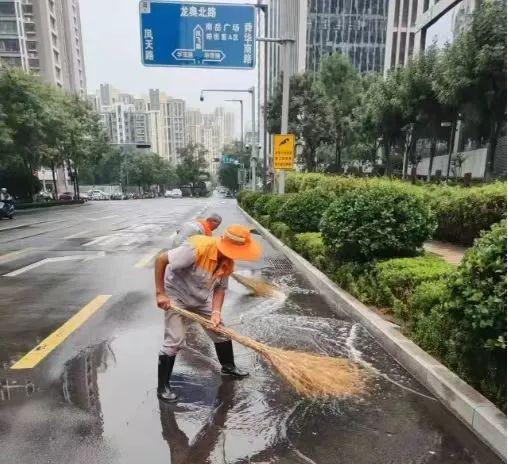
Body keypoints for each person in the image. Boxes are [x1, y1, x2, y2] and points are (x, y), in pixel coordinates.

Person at [154, 224, 262, 403]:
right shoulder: (196, 249)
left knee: (221, 331)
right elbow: (161, 260)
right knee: (175, 339)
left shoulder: (228, 261)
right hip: (176, 295)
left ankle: (228, 367)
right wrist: (160, 293)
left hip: (200, 298)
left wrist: (216, 312)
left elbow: (220, 288)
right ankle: (163, 387)